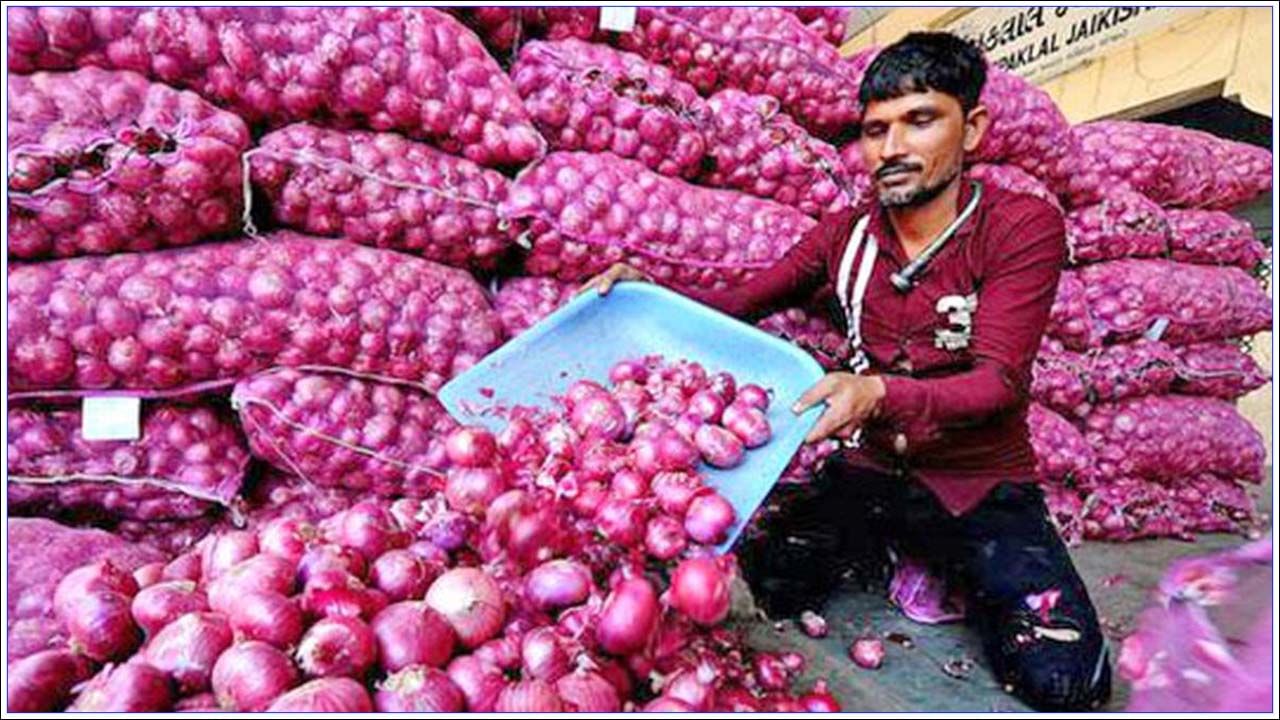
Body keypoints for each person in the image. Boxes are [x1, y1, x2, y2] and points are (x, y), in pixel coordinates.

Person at [583, 32, 1112, 712]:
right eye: (875, 130)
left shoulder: (1019, 225)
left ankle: (943, 555)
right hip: (870, 472)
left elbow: (999, 382)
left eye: (921, 120)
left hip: (978, 480)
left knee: (1065, 684)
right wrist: (643, 290)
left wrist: (876, 393)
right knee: (773, 581)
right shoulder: (844, 235)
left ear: (972, 128)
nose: (892, 148)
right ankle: (901, 550)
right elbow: (741, 303)